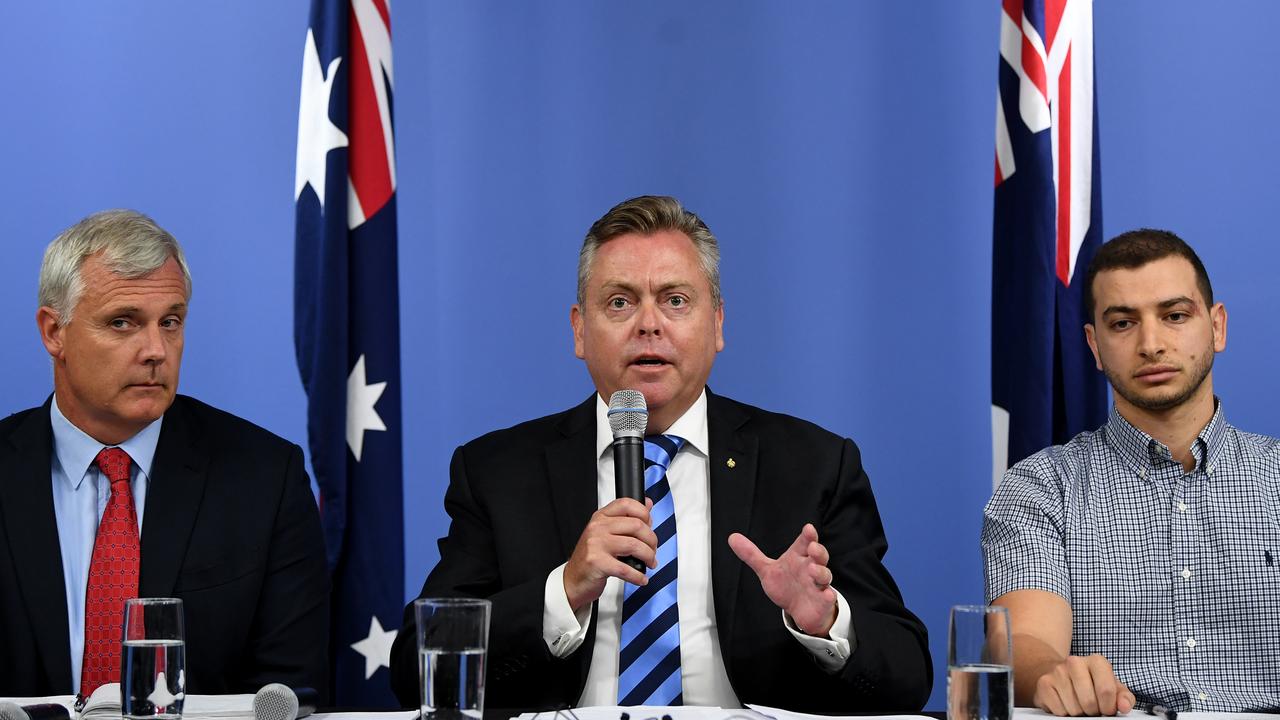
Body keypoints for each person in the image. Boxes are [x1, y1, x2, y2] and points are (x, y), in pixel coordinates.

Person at [389, 196, 930, 712]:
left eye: (675, 300)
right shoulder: (498, 472)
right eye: (620, 302)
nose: (649, 324)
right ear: (580, 329)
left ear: (717, 323)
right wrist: (565, 589)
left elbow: (908, 675)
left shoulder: (814, 466)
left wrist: (825, 622)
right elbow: (415, 669)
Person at [0, 210, 330, 698]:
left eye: (170, 322)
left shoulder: (264, 477)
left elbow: (290, 691)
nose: (156, 349)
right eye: (122, 323)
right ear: (54, 332)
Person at [982, 229, 1280, 716]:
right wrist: (1053, 678)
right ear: (1094, 346)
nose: (1151, 343)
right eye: (1122, 324)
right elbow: (1023, 642)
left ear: (1217, 327)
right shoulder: (1040, 487)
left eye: (1175, 316)